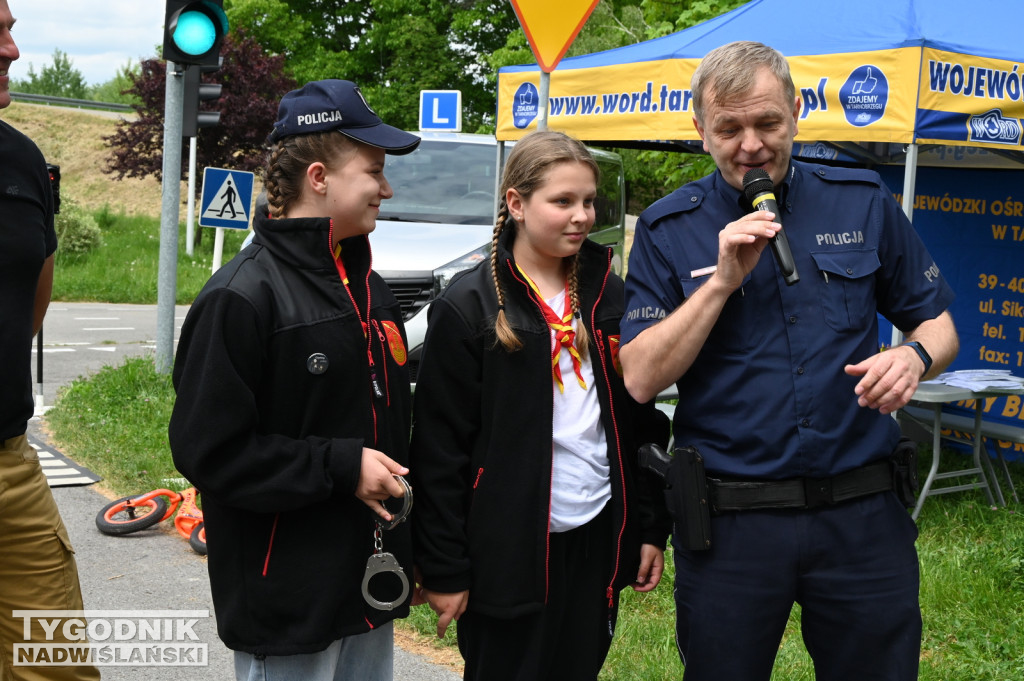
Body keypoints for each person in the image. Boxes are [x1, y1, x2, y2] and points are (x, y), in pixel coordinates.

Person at [620, 41, 959, 680]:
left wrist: (915, 356)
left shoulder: (862, 199)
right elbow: (640, 376)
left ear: (797, 113)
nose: (750, 145)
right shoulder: (668, 230)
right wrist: (719, 283)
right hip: (732, 527)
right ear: (700, 130)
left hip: (862, 517)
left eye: (767, 123)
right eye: (729, 128)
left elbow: (936, 322)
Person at [169, 79, 420, 681]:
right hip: (286, 604)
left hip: (365, 592)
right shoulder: (241, 296)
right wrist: (340, 466)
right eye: (374, 170)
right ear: (319, 177)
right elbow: (210, 452)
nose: (386, 188)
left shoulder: (368, 287)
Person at [410, 130, 670, 681]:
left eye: (588, 201)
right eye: (563, 201)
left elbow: (641, 425)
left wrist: (650, 527)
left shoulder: (609, 294)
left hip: (596, 532)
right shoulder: (469, 305)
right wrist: (445, 567)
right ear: (516, 204)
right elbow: (440, 452)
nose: (581, 216)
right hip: (506, 547)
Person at [0, 2, 100, 679]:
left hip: (8, 464)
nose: (10, 50)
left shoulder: (21, 160)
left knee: (56, 664)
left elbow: (34, 293)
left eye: (10, 32)